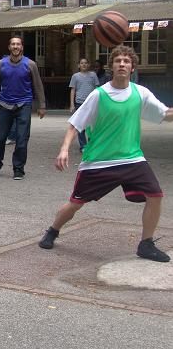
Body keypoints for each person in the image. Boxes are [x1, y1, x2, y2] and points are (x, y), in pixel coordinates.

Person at [39, 45, 173, 263]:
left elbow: (164, 113)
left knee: (155, 195)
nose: (122, 64)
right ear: (111, 66)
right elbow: (75, 124)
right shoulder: (98, 95)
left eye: (126, 61)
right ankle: (53, 230)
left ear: (132, 67)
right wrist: (64, 150)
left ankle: (146, 244)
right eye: (118, 60)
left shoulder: (141, 93)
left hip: (132, 159)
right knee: (76, 203)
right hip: (99, 162)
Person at [0, 35, 46, 180]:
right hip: (5, 104)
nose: (15, 46)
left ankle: (18, 169)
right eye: (13, 44)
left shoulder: (30, 64)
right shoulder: (1, 64)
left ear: (22, 47)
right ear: (9, 47)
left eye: (18, 44)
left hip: (24, 104)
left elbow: (38, 85)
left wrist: (42, 105)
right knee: (0, 138)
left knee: (21, 139)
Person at [68, 58, 99, 152]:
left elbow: (97, 88)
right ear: (78, 65)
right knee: (80, 125)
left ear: (88, 65)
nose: (84, 65)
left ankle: (91, 144)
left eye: (86, 63)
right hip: (79, 103)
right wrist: (72, 104)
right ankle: (83, 146)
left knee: (91, 124)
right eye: (82, 63)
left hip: (91, 102)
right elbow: (73, 90)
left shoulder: (93, 75)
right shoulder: (75, 76)